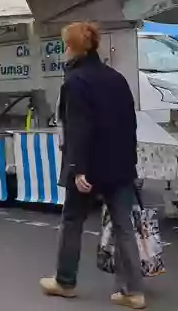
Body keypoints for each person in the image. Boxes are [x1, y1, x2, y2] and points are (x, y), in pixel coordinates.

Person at [40, 22, 146, 309]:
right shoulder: (116, 78)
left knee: (72, 220)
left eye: (65, 44)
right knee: (124, 225)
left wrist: (78, 167)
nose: (63, 49)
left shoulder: (75, 82)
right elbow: (130, 124)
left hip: (89, 165)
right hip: (121, 164)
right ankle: (132, 291)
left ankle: (65, 281)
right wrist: (130, 162)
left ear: (72, 48)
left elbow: (79, 128)